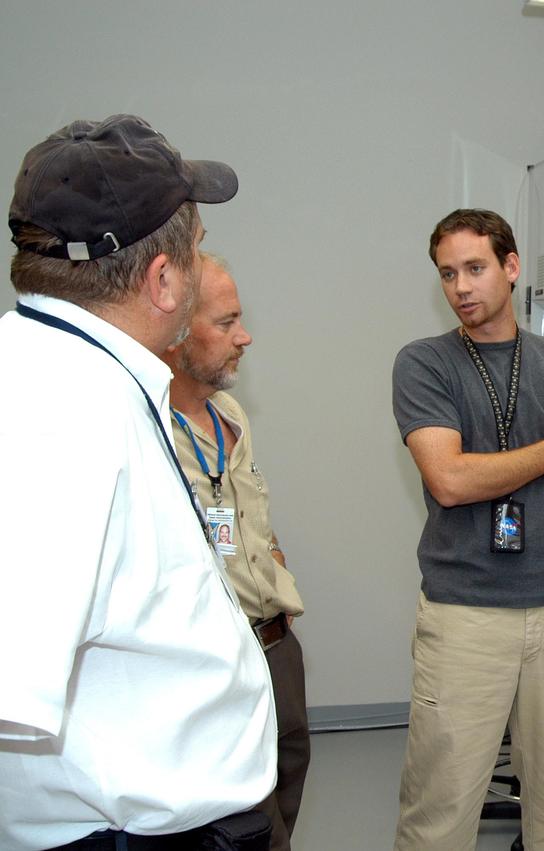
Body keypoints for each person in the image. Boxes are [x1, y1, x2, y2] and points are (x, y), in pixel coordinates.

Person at [0, 115, 275, 851]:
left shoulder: (73, 372)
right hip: (120, 833)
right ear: (161, 280)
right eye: (196, 252)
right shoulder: (61, 412)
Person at [391, 208, 544, 850]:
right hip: (466, 614)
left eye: (475, 268)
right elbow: (450, 479)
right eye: (448, 274)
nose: (461, 287)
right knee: (442, 806)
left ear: (511, 267)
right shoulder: (425, 364)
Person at [161, 253, 310, 851]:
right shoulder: (147, 429)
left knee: (289, 776)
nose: (243, 337)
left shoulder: (230, 414)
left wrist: (276, 572)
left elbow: (249, 515)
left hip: (275, 643)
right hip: (214, 657)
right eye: (226, 323)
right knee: (247, 820)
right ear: (175, 330)